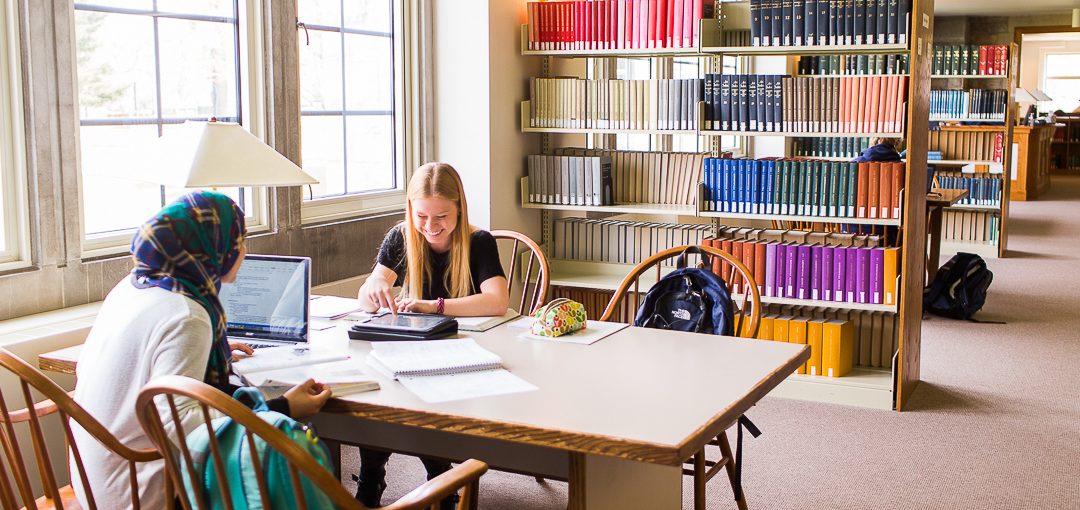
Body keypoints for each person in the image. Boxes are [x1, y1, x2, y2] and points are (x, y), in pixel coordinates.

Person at [71, 191, 332, 509]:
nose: (243, 250)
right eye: (240, 240)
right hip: (147, 494)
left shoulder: (132, 288)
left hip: (96, 483)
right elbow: (186, 429)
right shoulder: (186, 314)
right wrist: (282, 408)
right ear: (213, 249)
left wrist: (209, 347)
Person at [355, 162, 509, 508]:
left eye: (441, 216)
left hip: (465, 354)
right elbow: (366, 298)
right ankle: (372, 479)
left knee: (425, 403)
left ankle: (440, 480)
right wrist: (375, 285)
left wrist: (434, 306)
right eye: (421, 216)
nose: (430, 226)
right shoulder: (403, 236)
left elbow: (497, 301)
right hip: (415, 349)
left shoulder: (477, 241)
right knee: (378, 397)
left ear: (459, 209)